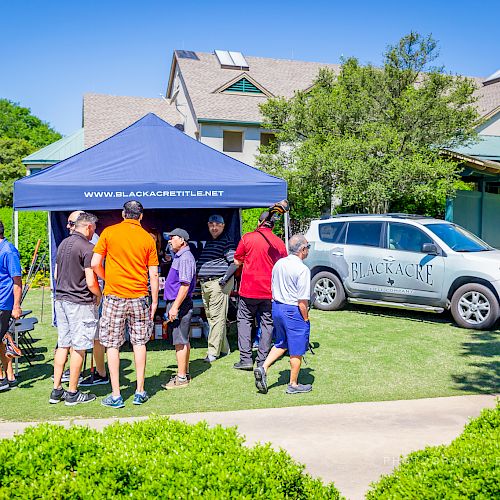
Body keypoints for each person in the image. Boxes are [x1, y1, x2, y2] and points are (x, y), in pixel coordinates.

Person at [91, 200, 159, 408]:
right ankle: (140, 391)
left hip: (114, 295)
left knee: (112, 344)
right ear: (141, 216)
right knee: (139, 342)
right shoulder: (147, 238)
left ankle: (116, 394)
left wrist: (108, 279)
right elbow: (154, 274)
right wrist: (154, 301)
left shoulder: (109, 233)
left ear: (123, 214)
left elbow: (94, 263)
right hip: (139, 296)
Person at [50, 212, 101, 405]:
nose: (93, 233)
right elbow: (91, 281)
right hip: (79, 302)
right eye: (93, 229)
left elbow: (56, 274)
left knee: (63, 344)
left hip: (61, 299)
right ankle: (72, 392)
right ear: (88, 227)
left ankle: (56, 390)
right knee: (79, 347)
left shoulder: (63, 244)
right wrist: (99, 295)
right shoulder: (88, 247)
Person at [254, 234, 312, 394]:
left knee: (282, 342)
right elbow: (302, 301)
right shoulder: (302, 269)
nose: (308, 250)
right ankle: (293, 384)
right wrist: (306, 319)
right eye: (308, 247)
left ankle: (263, 367)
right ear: (302, 249)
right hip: (293, 310)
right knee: (297, 348)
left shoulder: (279, 263)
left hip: (277, 307)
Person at [232, 211, 287, 370]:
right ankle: (262, 359)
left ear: (259, 222)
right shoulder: (279, 243)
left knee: (244, 322)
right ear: (273, 225)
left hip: (249, 289)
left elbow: (237, 260)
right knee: (267, 324)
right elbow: (283, 266)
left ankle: (246, 359)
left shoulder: (248, 238)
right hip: (270, 291)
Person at [197, 214, 235, 363]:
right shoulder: (211, 242)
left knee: (217, 319)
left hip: (217, 283)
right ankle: (225, 349)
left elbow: (235, 263)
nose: (214, 227)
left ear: (223, 226)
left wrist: (224, 280)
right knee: (213, 318)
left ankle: (213, 352)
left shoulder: (227, 242)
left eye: (217, 225)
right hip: (206, 284)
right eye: (211, 224)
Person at [161, 228, 196, 389]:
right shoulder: (180, 256)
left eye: (172, 238)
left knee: (180, 340)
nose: (169, 240)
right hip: (178, 302)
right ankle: (184, 372)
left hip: (179, 303)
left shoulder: (185, 258)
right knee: (181, 339)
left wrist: (174, 307)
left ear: (182, 240)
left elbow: (185, 285)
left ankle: (181, 378)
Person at [0, 220, 22, 393]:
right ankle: (10, 376)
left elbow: (17, 280)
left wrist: (16, 306)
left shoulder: (8, 251)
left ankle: (1, 378)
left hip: (3, 302)